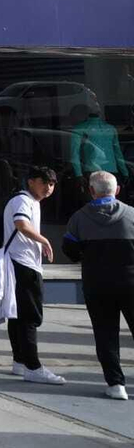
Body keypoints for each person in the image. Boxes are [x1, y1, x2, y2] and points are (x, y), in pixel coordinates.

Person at [63, 170, 134, 400]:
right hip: (130, 282)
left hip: (97, 284)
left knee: (105, 334)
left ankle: (116, 384)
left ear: (91, 191)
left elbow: (70, 250)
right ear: (117, 190)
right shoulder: (132, 215)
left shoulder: (79, 218)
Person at [0, 166, 63, 384]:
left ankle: (20, 361)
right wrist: (44, 240)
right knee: (29, 317)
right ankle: (33, 367)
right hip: (22, 265)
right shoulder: (22, 200)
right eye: (44, 182)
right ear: (31, 181)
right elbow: (21, 224)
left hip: (22, 263)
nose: (48, 188)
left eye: (52, 184)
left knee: (18, 315)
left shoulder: (31, 202)